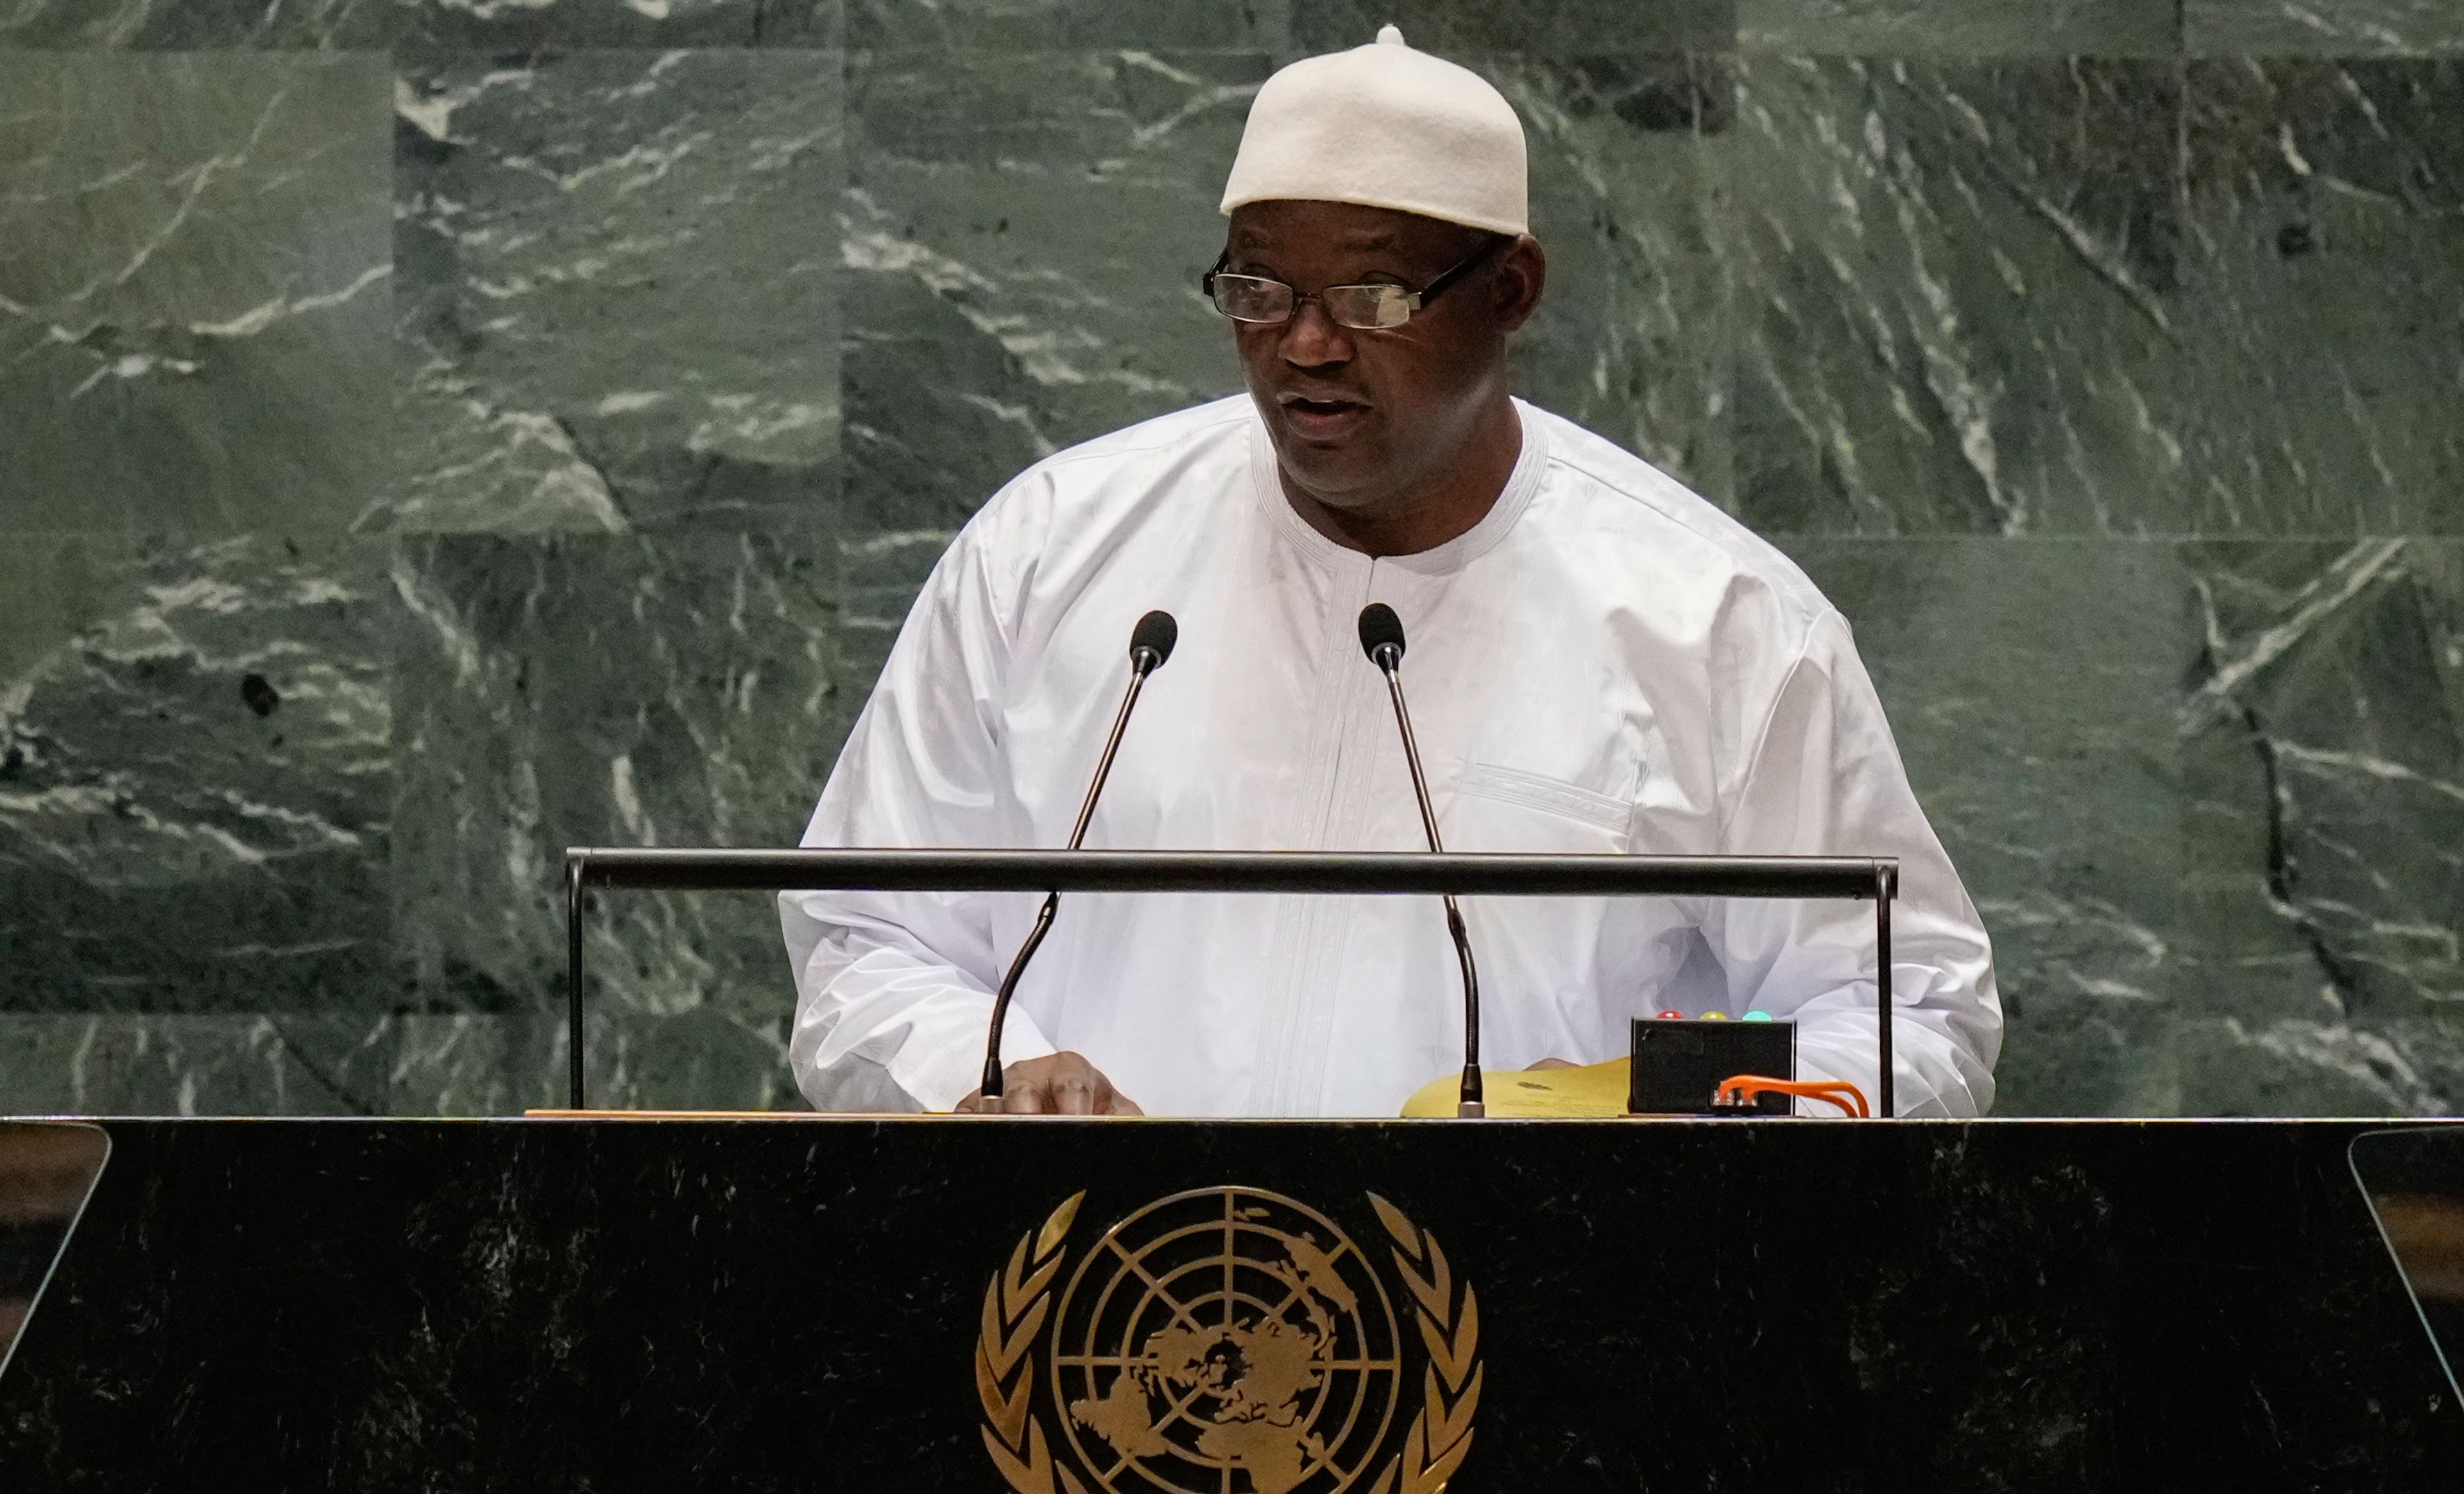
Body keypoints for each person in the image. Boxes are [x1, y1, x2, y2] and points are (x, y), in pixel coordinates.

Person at [781, 26, 2000, 1118]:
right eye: (1259, 287)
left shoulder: (1719, 626)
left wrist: (1694, 1135)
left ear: (1510, 289)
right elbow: (867, 934)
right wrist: (985, 1076)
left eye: (1372, 293)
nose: (1304, 346)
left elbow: (1905, 1010)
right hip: (1109, 1314)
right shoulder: (1053, 550)